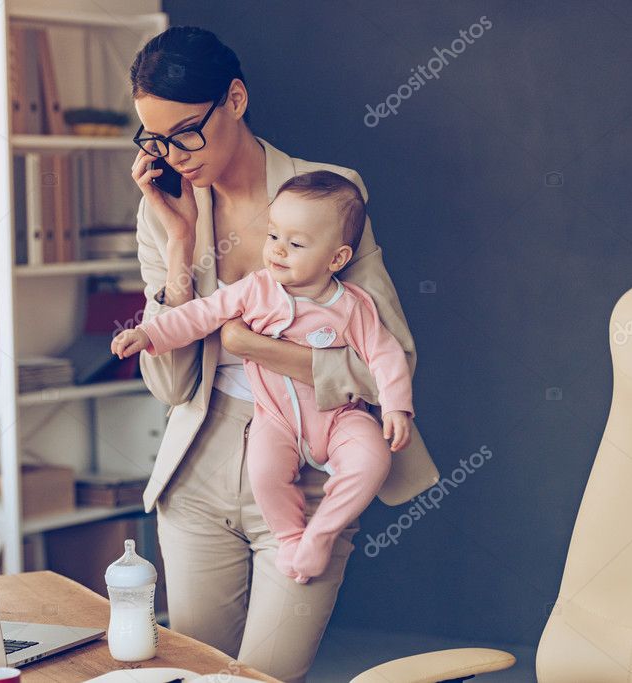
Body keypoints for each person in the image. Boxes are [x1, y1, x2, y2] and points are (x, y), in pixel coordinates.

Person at [128, 26, 439, 681]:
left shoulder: (326, 193)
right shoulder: (162, 209)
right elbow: (170, 384)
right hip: (198, 469)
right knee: (191, 672)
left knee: (262, 677)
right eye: (153, 139)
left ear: (234, 100)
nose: (172, 155)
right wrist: (179, 249)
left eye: (185, 132)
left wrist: (255, 347)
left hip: (308, 466)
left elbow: (388, 362)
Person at [113, 170, 413, 584]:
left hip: (341, 416)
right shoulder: (255, 289)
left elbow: (386, 354)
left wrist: (397, 407)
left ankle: (321, 533)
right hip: (275, 419)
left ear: (337, 258)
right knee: (265, 470)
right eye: (273, 236)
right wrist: (148, 333)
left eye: (296, 244)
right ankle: (291, 537)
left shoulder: (352, 305)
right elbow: (201, 315)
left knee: (373, 459)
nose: (277, 251)